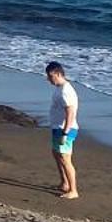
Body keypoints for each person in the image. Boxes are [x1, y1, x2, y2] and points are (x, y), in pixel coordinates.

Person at [45, 61, 80, 199]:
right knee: (56, 154)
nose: (48, 79)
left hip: (65, 129)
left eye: (50, 76)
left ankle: (73, 190)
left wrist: (65, 132)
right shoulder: (59, 88)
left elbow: (70, 113)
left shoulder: (66, 91)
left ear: (58, 74)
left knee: (65, 159)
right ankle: (64, 183)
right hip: (57, 127)